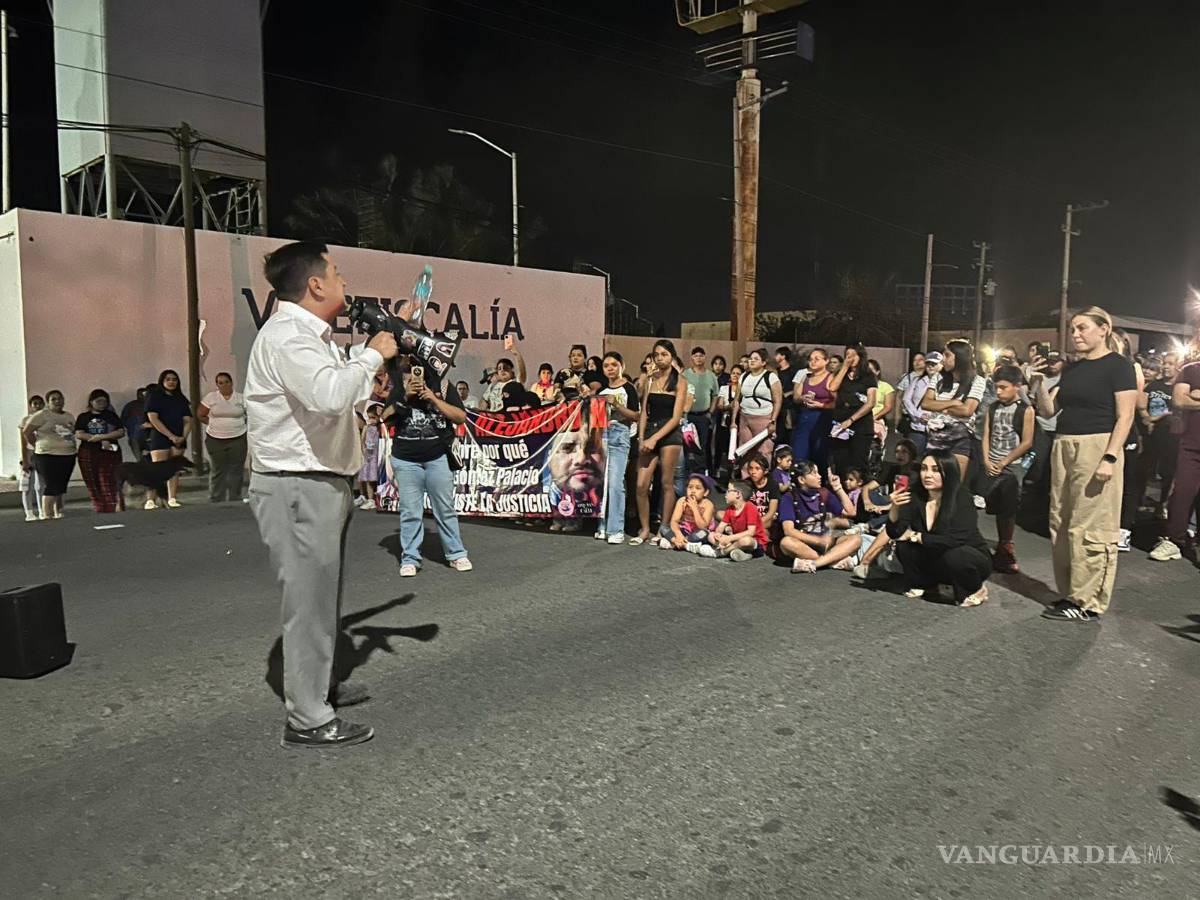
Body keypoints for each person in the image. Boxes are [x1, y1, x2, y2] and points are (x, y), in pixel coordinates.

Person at [246, 240, 399, 749]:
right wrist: (373, 354)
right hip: (296, 483)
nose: (343, 281)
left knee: (323, 597)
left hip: (317, 481)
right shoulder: (289, 335)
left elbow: (334, 386)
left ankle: (320, 686)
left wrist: (363, 366)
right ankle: (308, 718)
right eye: (336, 272)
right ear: (314, 284)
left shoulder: (308, 336)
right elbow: (331, 394)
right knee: (309, 602)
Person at [1033, 307, 1137, 622]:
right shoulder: (1074, 369)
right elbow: (1049, 411)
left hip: (1097, 445)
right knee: (1061, 521)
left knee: (1091, 524)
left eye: (1082, 328)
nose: (1075, 335)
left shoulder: (1119, 366)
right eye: (1073, 329)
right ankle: (1070, 593)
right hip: (1064, 444)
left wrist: (1109, 456)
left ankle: (1088, 601)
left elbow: (1126, 415)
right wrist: (1037, 382)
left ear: (1104, 329)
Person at [385, 356, 472, 574]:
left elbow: (460, 416)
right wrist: (406, 396)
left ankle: (456, 554)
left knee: (445, 508)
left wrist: (433, 399)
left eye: (422, 367)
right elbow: (384, 418)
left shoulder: (443, 386)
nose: (418, 373)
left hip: (437, 457)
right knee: (410, 511)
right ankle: (410, 558)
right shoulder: (400, 386)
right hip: (405, 459)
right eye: (414, 368)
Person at [886, 449, 991, 606]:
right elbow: (896, 533)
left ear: (948, 472)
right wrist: (894, 508)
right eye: (924, 468)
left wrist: (917, 536)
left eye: (935, 470)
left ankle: (974, 588)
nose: (927, 475)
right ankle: (927, 585)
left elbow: (955, 540)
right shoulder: (916, 495)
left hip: (968, 557)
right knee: (904, 547)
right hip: (936, 555)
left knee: (955, 555)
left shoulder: (962, 497)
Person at [976, 366, 1035, 573]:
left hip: (1012, 467)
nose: (999, 392)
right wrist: (986, 459)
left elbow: (1026, 442)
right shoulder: (993, 407)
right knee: (986, 504)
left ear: (1017, 387)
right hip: (991, 463)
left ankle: (1005, 546)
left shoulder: (1025, 410)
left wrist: (1003, 462)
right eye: (996, 387)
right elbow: (986, 434)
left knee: (1007, 509)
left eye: (1003, 387)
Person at [633, 339, 689, 546]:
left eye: (664, 354)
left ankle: (663, 527)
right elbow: (644, 412)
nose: (659, 358)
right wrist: (641, 438)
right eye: (656, 354)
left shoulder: (681, 381)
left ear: (672, 356)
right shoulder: (650, 380)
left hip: (670, 433)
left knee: (666, 483)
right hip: (649, 431)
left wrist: (654, 438)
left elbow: (676, 417)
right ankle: (645, 528)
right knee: (641, 485)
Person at [1150, 338, 1200, 563]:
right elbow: (1179, 400)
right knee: (1182, 493)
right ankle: (1174, 540)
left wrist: (1197, 395)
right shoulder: (1190, 370)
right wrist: (1191, 396)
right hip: (1191, 444)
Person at [776, 461, 864, 573]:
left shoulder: (823, 493)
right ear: (802, 480)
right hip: (804, 543)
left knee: (856, 539)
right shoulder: (789, 498)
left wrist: (838, 488)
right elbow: (789, 531)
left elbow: (850, 512)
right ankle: (833, 560)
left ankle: (815, 563)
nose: (819, 476)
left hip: (827, 542)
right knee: (786, 543)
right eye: (814, 473)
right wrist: (818, 541)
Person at [921, 339, 986, 480]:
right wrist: (954, 402)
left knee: (954, 483)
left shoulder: (977, 381)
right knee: (933, 482)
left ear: (960, 357)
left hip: (960, 440)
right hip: (935, 438)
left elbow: (967, 410)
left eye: (947, 355)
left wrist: (940, 407)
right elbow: (926, 403)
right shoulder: (939, 378)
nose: (942, 359)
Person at [595, 351, 640, 544]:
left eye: (614, 365)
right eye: (606, 366)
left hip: (620, 435)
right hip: (601, 436)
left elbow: (636, 416)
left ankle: (616, 529)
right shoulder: (602, 391)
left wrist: (617, 406)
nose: (610, 369)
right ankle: (602, 525)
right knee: (601, 483)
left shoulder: (628, 388)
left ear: (621, 366)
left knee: (615, 482)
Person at [1112, 328, 1145, 552]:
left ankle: (1124, 529)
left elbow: (1134, 403)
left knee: (1127, 481)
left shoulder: (1133, 368)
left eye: (1117, 341)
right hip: (1103, 430)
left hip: (1126, 430)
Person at [22, 389, 77, 521]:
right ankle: (47, 515)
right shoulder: (42, 415)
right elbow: (27, 432)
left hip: (68, 454)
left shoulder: (68, 416)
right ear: (48, 402)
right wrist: (36, 444)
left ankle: (58, 511)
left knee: (62, 484)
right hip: (47, 455)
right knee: (51, 484)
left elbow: (72, 432)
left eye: (60, 398)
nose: (58, 401)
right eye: (54, 399)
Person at [1137, 353, 1179, 520]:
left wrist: (1157, 417)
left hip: (1170, 437)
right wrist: (1148, 419)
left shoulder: (1178, 388)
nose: (1166, 367)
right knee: (1144, 469)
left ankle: (1163, 504)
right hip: (1150, 434)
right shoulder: (1155, 385)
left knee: (1168, 472)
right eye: (1165, 364)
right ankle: (1139, 501)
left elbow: (1176, 412)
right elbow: (1142, 405)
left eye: (1170, 364)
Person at [827, 343, 878, 479]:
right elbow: (832, 388)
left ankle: (862, 493)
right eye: (847, 355)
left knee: (859, 463)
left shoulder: (868, 376)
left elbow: (871, 402)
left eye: (853, 355)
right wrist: (844, 367)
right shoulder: (842, 373)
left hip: (860, 424)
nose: (850, 358)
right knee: (840, 461)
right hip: (841, 422)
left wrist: (851, 420)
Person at [144, 369, 193, 509]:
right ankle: (151, 499)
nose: (171, 382)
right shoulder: (155, 396)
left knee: (174, 469)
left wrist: (182, 437)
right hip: (160, 436)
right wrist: (170, 436)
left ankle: (172, 497)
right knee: (157, 469)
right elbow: (153, 418)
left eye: (174, 379)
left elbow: (188, 420)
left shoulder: (181, 398)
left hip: (179, 437)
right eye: (168, 379)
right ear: (162, 381)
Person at [198, 371, 249, 503]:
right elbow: (200, 414)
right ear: (217, 385)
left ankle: (235, 496)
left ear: (231, 383)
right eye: (220, 383)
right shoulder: (211, 397)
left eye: (226, 382)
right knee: (217, 468)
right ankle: (216, 496)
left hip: (237, 437)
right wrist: (214, 424)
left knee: (236, 468)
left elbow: (249, 414)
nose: (224, 385)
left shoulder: (240, 398)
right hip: (215, 439)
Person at [74, 388, 126, 514]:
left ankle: (112, 506)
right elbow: (79, 434)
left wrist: (104, 437)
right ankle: (99, 507)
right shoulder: (84, 417)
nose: (102, 404)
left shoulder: (111, 416)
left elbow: (120, 431)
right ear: (91, 402)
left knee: (108, 479)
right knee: (92, 480)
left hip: (110, 452)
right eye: (98, 401)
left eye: (104, 401)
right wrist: (96, 439)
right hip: (89, 452)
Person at [731, 348, 783, 476]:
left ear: (763, 362)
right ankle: (746, 480)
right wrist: (733, 421)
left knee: (764, 450)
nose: (752, 361)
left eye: (756, 359)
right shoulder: (744, 376)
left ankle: (762, 480)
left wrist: (773, 421)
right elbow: (737, 400)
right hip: (745, 417)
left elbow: (778, 400)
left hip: (763, 418)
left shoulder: (771, 377)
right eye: (751, 359)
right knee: (745, 450)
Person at [690, 481, 766, 561]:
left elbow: (751, 532)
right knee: (711, 535)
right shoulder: (730, 509)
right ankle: (741, 553)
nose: (726, 494)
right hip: (735, 539)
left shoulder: (750, 508)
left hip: (754, 543)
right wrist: (718, 535)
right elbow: (721, 526)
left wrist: (729, 538)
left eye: (729, 491)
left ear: (738, 494)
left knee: (745, 540)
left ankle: (722, 552)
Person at [791, 348, 836, 471]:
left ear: (826, 361)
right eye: (811, 359)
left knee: (819, 454)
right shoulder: (805, 377)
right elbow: (796, 397)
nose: (813, 362)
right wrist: (802, 398)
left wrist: (820, 405)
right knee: (799, 453)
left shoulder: (830, 378)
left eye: (817, 359)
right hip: (804, 418)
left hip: (821, 419)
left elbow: (837, 402)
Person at [683, 346, 720, 475]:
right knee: (687, 445)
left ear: (705, 357)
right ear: (692, 358)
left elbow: (715, 395)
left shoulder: (711, 376)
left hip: (704, 416)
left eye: (701, 355)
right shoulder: (685, 374)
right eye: (696, 355)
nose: (698, 358)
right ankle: (686, 472)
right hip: (687, 416)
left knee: (702, 446)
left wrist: (710, 412)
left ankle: (700, 474)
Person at [658, 473, 716, 549]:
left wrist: (694, 508)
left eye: (698, 488)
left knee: (704, 534)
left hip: (698, 532)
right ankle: (679, 542)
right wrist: (679, 535)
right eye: (690, 487)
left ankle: (679, 543)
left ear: (705, 492)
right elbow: (674, 521)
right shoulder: (682, 501)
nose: (693, 491)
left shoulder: (708, 505)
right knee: (663, 528)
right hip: (685, 530)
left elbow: (703, 526)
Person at [901, 351, 942, 455]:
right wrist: (918, 415)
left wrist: (933, 418)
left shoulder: (946, 383)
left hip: (937, 430)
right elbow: (906, 399)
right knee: (914, 457)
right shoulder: (917, 381)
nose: (931, 366)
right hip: (918, 427)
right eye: (928, 363)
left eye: (934, 364)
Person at [479, 336, 527, 411]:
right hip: (495, 418)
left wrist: (516, 354)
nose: (502, 370)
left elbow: (522, 372)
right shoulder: (493, 385)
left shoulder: (515, 383)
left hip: (510, 416)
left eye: (506, 368)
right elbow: (484, 401)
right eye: (499, 368)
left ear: (512, 370)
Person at [18, 395, 45, 522]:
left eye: (40, 403)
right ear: (30, 406)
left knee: (40, 485)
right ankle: (29, 512)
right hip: (29, 454)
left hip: (42, 453)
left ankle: (42, 511)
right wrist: (25, 459)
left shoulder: (46, 419)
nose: (38, 406)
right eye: (35, 403)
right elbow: (23, 442)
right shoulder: (26, 420)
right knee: (27, 485)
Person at [744, 453, 781, 537]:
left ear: (765, 471)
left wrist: (756, 523)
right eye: (751, 468)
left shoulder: (773, 485)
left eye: (757, 469)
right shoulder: (746, 483)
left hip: (766, 519)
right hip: (750, 519)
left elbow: (771, 512)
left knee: (768, 525)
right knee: (720, 514)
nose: (753, 472)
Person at [354, 403, 383, 509]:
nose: (371, 420)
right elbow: (362, 439)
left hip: (376, 456)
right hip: (367, 456)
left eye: (373, 417)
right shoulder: (367, 427)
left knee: (372, 478)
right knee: (363, 476)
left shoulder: (380, 428)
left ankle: (372, 499)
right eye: (369, 417)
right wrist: (363, 451)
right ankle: (363, 496)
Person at [774, 347, 798, 447]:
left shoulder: (793, 371)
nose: (775, 357)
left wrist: (788, 393)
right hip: (777, 406)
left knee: (789, 432)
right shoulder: (775, 371)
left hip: (788, 406)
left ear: (783, 356)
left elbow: (798, 387)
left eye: (777, 354)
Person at [120, 386, 151, 461]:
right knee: (140, 459)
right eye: (140, 394)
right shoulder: (130, 406)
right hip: (135, 437)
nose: (142, 395)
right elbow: (123, 420)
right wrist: (133, 427)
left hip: (150, 436)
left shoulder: (152, 405)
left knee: (152, 459)